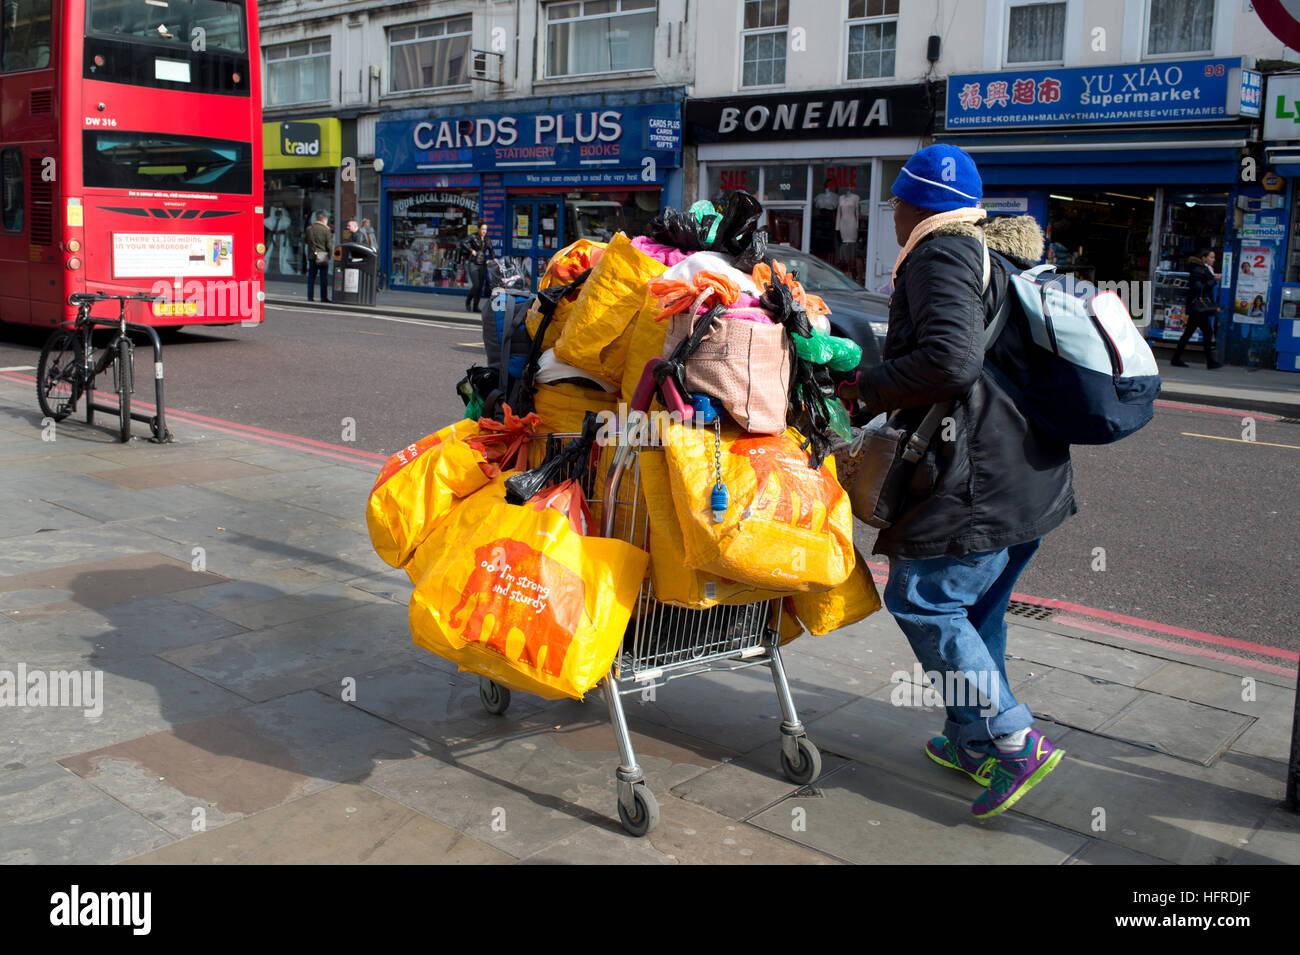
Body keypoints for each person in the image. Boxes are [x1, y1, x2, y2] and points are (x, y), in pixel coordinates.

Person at [853, 144, 1075, 819]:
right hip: (1029, 471)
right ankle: (970, 737)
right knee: (979, 611)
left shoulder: (940, 252)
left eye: (897, 201)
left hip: (976, 477)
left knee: (925, 601)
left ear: (916, 204)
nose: (894, 214)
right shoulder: (1000, 254)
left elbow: (950, 360)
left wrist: (865, 386)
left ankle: (1012, 736)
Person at [1172, 248, 1223, 369]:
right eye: (1211, 257)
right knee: (1206, 333)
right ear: (1204, 258)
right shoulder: (1197, 270)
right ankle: (1210, 362)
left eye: (1214, 257)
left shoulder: (1205, 269)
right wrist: (1213, 280)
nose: (1213, 259)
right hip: (1198, 308)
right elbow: (1199, 288)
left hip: (1200, 308)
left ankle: (1176, 358)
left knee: (1190, 333)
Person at [460, 222, 495, 313]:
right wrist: (471, 250)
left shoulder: (487, 239)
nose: (484, 231)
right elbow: (463, 242)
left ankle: (476, 306)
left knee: (480, 287)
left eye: (485, 229)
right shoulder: (473, 237)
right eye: (482, 229)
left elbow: (491, 250)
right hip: (473, 263)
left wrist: (494, 258)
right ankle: (468, 300)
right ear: (478, 229)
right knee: (476, 285)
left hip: (482, 264)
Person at [305, 211, 333, 303]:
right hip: (323, 256)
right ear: (324, 219)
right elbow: (329, 245)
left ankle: (310, 297)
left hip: (312, 256)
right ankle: (323, 297)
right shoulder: (326, 230)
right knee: (323, 278)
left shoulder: (309, 229)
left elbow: (307, 242)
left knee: (311, 277)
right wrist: (329, 255)